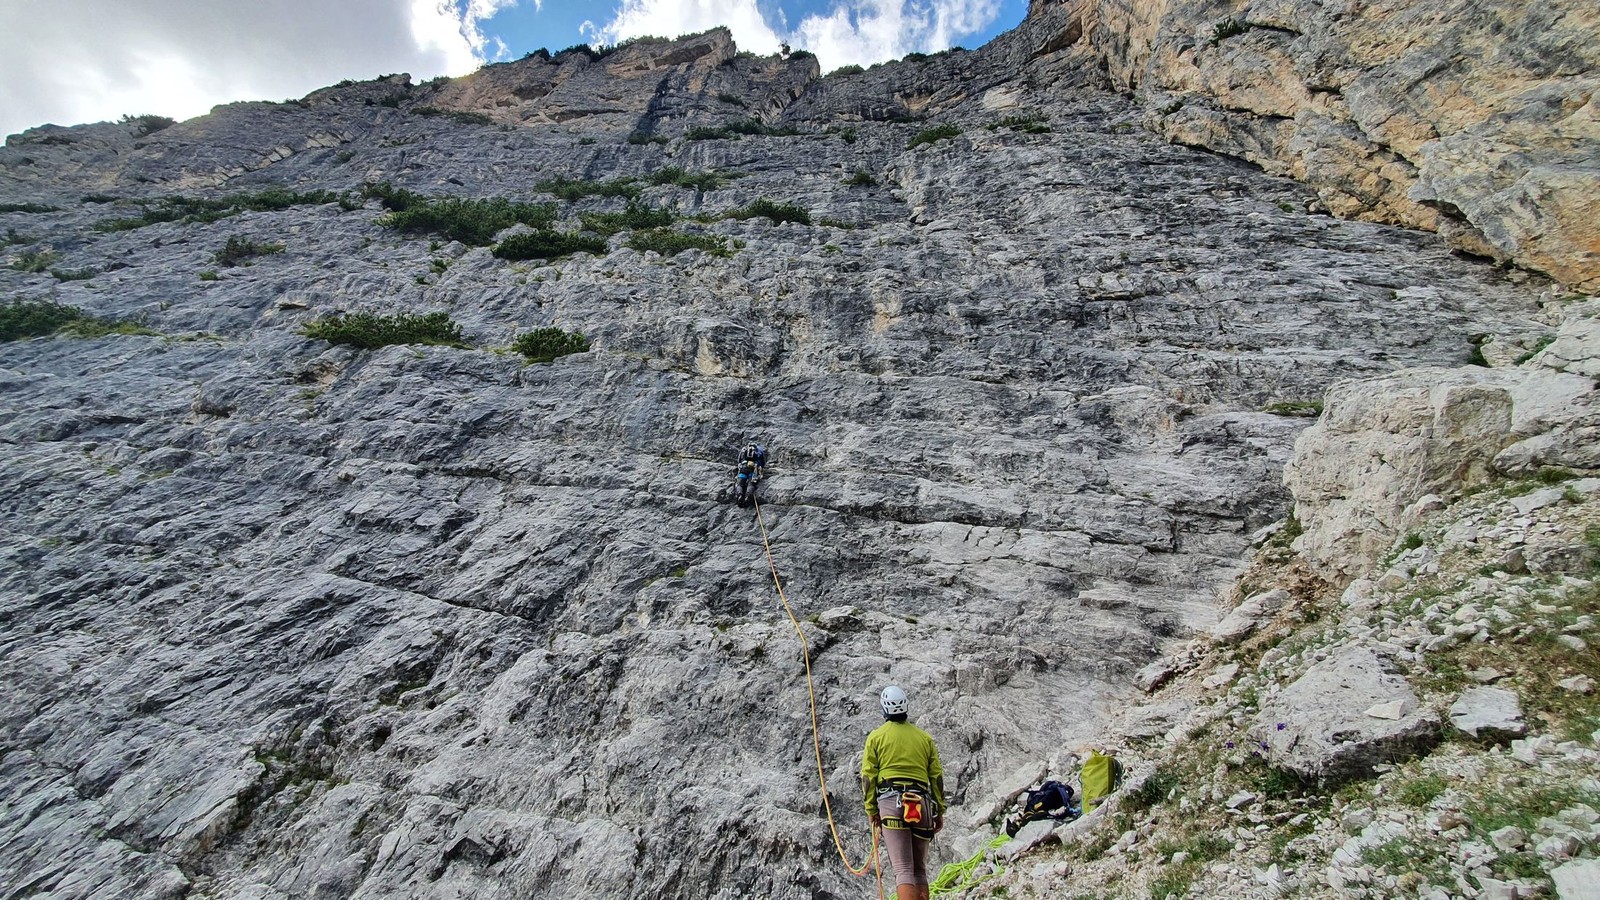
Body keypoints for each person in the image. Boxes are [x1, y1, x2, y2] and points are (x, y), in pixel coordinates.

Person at [861, 685, 944, 900]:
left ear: (884, 710)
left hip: (891, 803)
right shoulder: (924, 738)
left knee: (903, 870)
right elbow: (936, 777)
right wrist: (940, 810)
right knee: (920, 870)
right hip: (921, 803)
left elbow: (868, 778)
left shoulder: (876, 737)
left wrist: (871, 809)